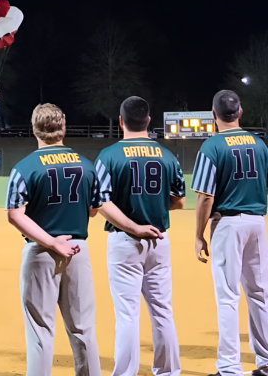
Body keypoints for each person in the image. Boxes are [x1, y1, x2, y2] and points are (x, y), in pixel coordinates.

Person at [6, 103, 163, 376]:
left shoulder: (24, 168)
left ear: (35, 128)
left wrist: (52, 241)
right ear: (63, 124)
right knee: (83, 328)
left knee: (40, 330)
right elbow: (94, 208)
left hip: (40, 251)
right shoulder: (87, 166)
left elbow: (14, 215)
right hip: (78, 249)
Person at [95, 96, 185, 376]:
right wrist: (155, 205)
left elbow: (100, 203)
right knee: (162, 311)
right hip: (159, 239)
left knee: (127, 314)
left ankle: (125, 373)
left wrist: (133, 227)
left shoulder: (108, 156)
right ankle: (169, 371)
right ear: (148, 120)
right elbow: (179, 200)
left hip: (125, 241)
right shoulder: (167, 155)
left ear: (121, 121)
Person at [193, 90, 268, 376]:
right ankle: (266, 361)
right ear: (240, 112)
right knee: (260, 294)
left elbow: (205, 198)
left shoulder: (212, 147)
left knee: (227, 296)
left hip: (228, 224)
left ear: (214, 115)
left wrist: (199, 234)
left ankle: (229, 367)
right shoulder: (259, 144)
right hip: (257, 223)